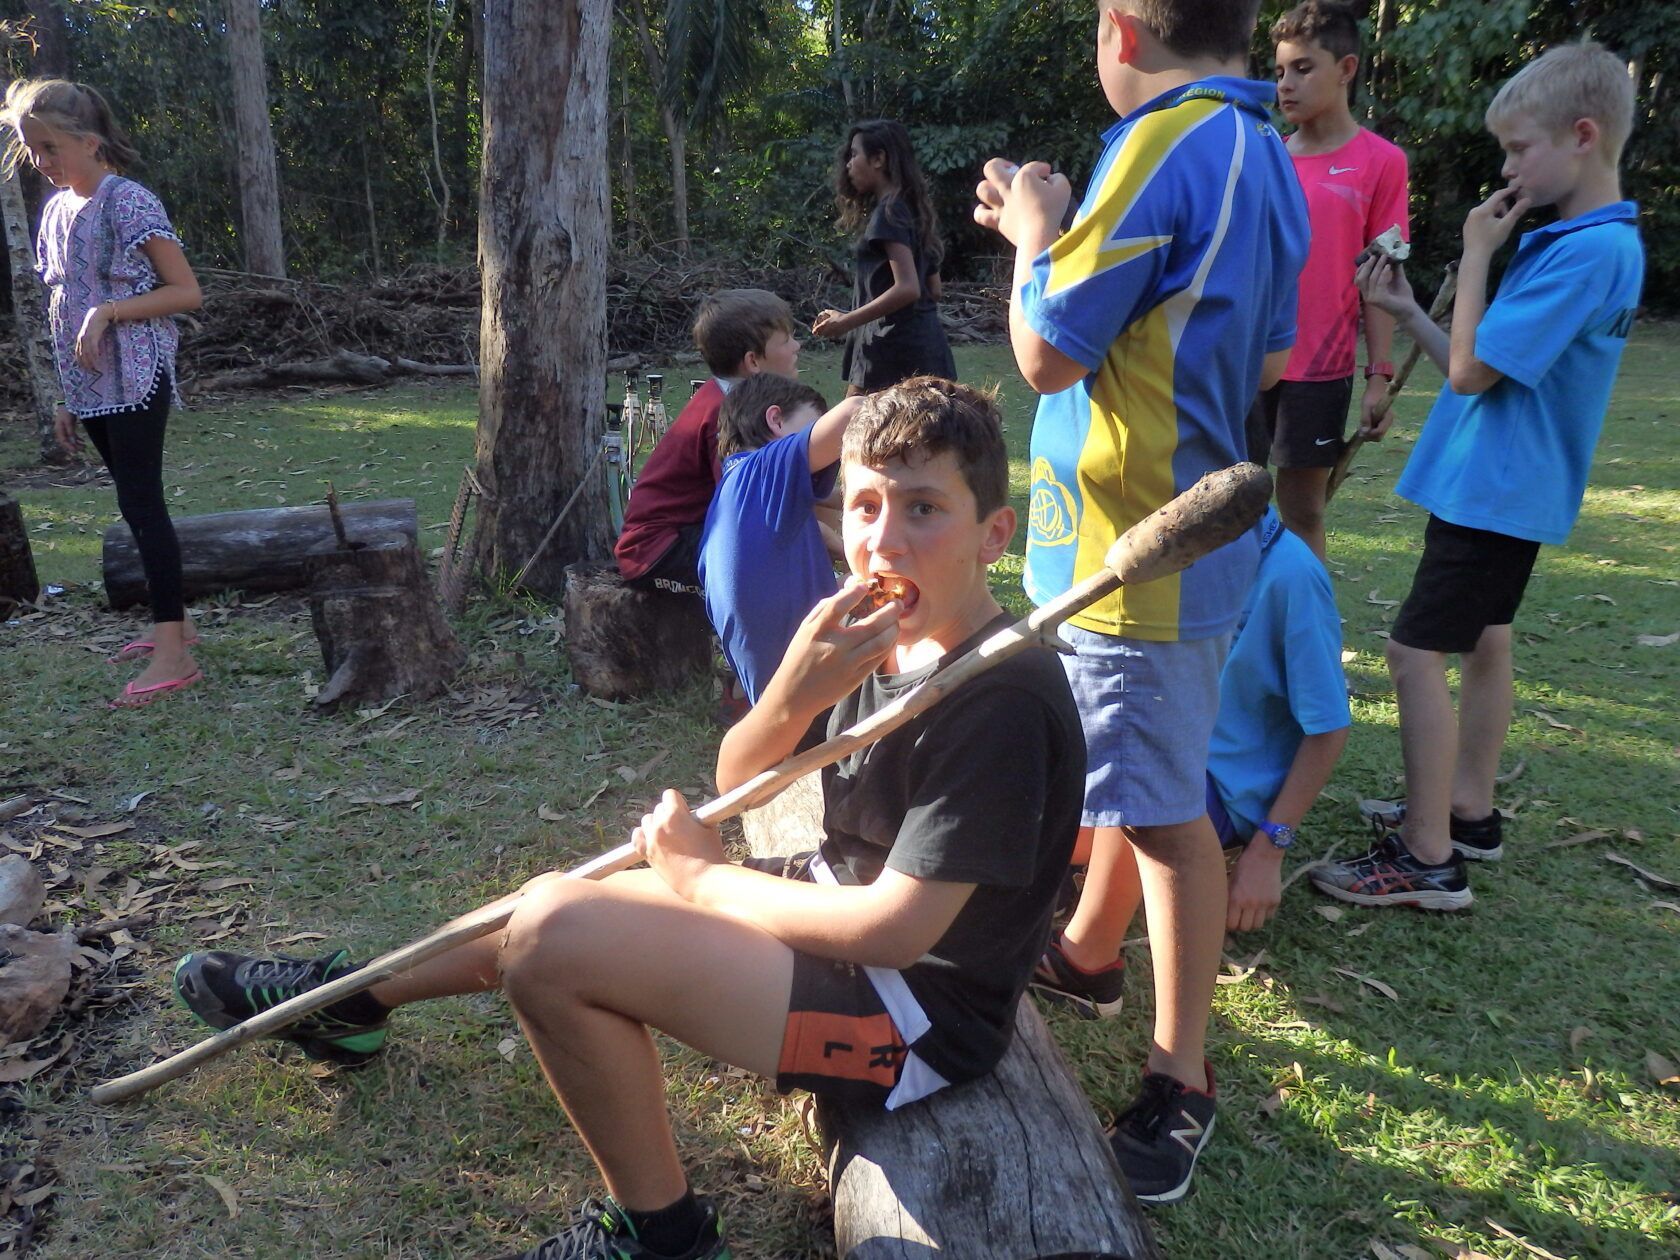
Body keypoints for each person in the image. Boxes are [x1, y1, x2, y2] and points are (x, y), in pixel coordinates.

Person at [172, 378, 1085, 1260]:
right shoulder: (885, 638)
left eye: (923, 508)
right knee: (548, 899)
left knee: (549, 946)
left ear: (993, 534)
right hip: (832, 913)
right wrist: (796, 693)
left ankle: (664, 1237)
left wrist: (699, 879)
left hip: (913, 1019)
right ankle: (347, 1003)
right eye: (864, 507)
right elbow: (744, 777)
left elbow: (895, 931)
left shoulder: (998, 695)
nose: (885, 541)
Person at [973, 0, 1308, 1202]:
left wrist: (1032, 229)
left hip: (1134, 552)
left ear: (1122, 31)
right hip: (1184, 542)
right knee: (1137, 777)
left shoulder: (1164, 143)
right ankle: (1090, 957)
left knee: (1166, 819)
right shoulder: (1265, 150)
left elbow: (1049, 349)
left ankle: (1182, 1080)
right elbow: (1269, 357)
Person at [1312, 42, 1644, 911]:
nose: (1506, 167)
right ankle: (1468, 812)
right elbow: (1485, 362)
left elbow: (1465, 376)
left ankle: (1427, 859)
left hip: (1493, 491)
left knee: (1413, 653)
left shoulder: (1585, 253)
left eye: (1518, 148)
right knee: (1486, 640)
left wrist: (1476, 253)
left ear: (1582, 136)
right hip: (1504, 485)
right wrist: (1413, 310)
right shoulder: (1587, 240)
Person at [1037, 508, 1349, 988]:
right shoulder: (1157, 543)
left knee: (1134, 776)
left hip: (1217, 787)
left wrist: (1269, 850)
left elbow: (1327, 728)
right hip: (1149, 743)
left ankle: (1084, 961)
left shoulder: (1290, 575)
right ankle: (1052, 875)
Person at [2, 79, 204, 708]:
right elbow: (64, 304)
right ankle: (177, 623)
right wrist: (66, 394)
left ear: (90, 143)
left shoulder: (129, 201)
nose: (40, 161)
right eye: (30, 148)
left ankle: (175, 651)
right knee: (131, 500)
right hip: (88, 385)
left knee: (143, 502)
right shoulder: (58, 210)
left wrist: (110, 312)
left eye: (49, 146)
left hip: (137, 374)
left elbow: (186, 292)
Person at [1257, 1, 1410, 560]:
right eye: (1279, 72)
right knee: (1231, 503)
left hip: (1320, 368)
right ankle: (1239, 630)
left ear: (1346, 69)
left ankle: (1306, 638)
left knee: (1302, 510)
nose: (1286, 85)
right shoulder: (1263, 155)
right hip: (1249, 361)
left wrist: (1380, 377)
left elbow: (1383, 275)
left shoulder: (1383, 162)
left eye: (1302, 68)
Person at [613, 288, 802, 596]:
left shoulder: (734, 400)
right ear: (753, 361)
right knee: (773, 556)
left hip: (686, 534)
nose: (797, 346)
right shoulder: (729, 414)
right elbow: (746, 504)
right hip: (657, 551)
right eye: (786, 340)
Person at [698, 373, 864, 706]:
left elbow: (823, 512)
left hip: (780, 700)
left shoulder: (737, 493)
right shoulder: (759, 471)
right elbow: (854, 411)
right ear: (775, 420)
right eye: (813, 425)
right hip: (820, 697)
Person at [812, 120, 956, 394]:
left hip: (889, 347)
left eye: (854, 155)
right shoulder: (913, 210)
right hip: (927, 345)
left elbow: (908, 287)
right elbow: (933, 289)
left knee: (851, 431)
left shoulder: (887, 215)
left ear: (878, 159)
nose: (848, 165)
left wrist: (846, 320)